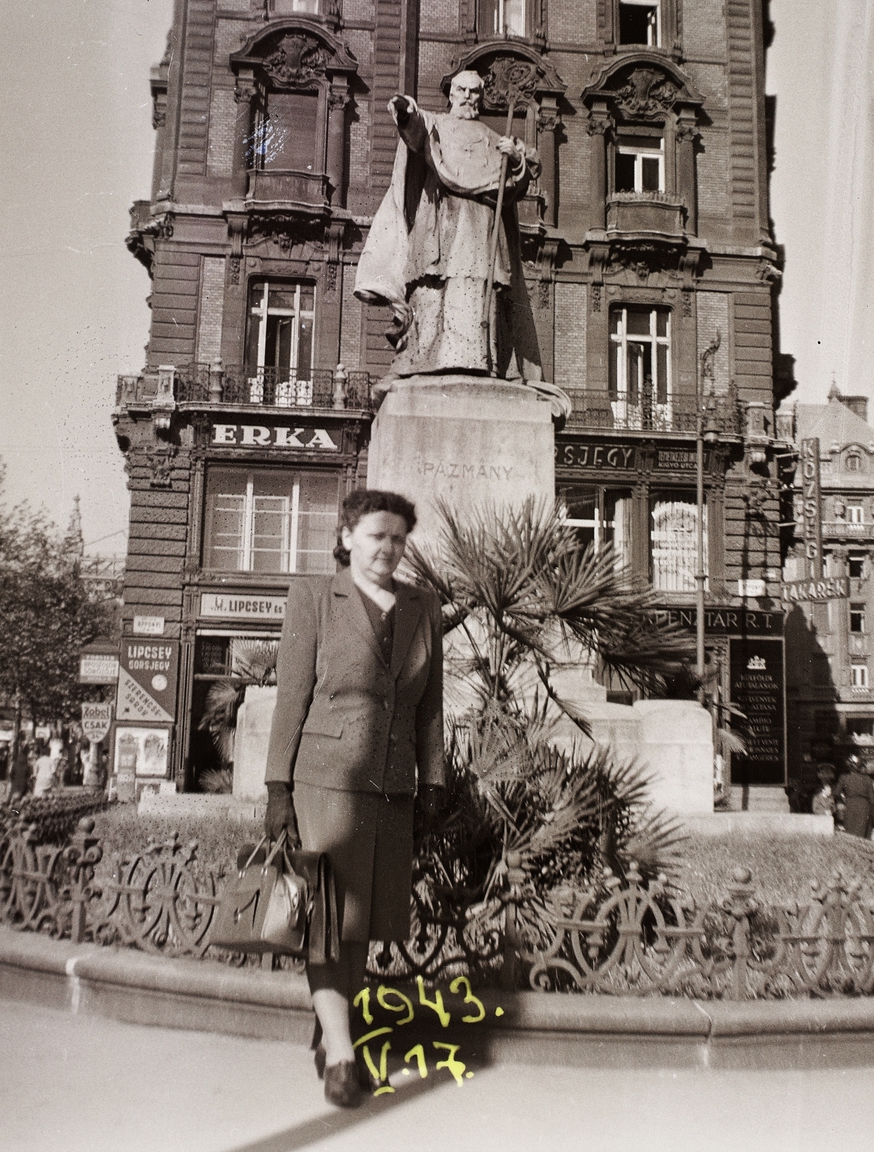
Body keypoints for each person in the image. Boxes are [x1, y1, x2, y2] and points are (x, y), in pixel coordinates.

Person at [263, 489, 445, 1110]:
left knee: (361, 922)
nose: (388, 548)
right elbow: (293, 696)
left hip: (392, 785)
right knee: (327, 923)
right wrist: (277, 788)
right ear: (346, 538)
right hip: (325, 779)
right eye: (376, 536)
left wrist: (434, 781)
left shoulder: (424, 608)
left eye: (398, 538)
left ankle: (331, 1025)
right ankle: (342, 1052)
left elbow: (429, 710)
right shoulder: (314, 599)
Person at [354, 69, 542, 381]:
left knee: (480, 289)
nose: (468, 97)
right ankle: (426, 359)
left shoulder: (496, 140)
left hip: (480, 228)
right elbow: (414, 129)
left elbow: (512, 188)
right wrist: (405, 111)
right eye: (462, 91)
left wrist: (517, 161)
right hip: (440, 222)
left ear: (480, 97)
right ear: (451, 95)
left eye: (474, 91)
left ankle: (483, 362)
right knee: (434, 286)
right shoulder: (436, 126)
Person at [835, 753, 874, 838]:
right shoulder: (867, 779)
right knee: (862, 832)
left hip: (850, 805)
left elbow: (836, 793)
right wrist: (873, 813)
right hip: (864, 807)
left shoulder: (844, 778)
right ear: (860, 767)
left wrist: (842, 800)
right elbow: (872, 799)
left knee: (850, 831)